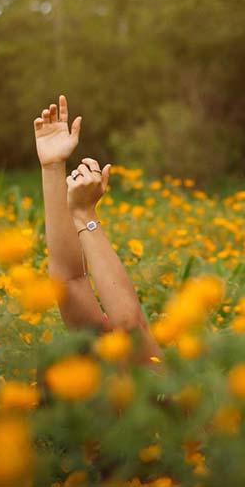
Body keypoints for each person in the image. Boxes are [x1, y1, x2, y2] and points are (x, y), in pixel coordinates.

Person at [33, 94, 164, 370]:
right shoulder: (121, 372)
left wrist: (84, 214)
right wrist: (53, 168)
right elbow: (69, 283)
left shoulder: (153, 386)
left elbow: (129, 329)